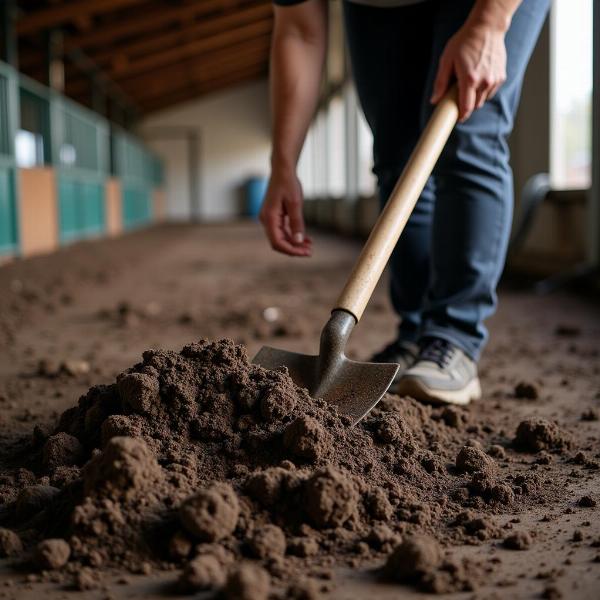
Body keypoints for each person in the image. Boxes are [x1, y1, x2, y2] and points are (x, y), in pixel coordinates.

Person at [259, 0, 550, 405]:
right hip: (378, 8)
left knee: (467, 137)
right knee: (396, 158)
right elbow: (299, 31)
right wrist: (283, 164)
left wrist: (490, 22)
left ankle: (454, 338)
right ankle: (415, 336)